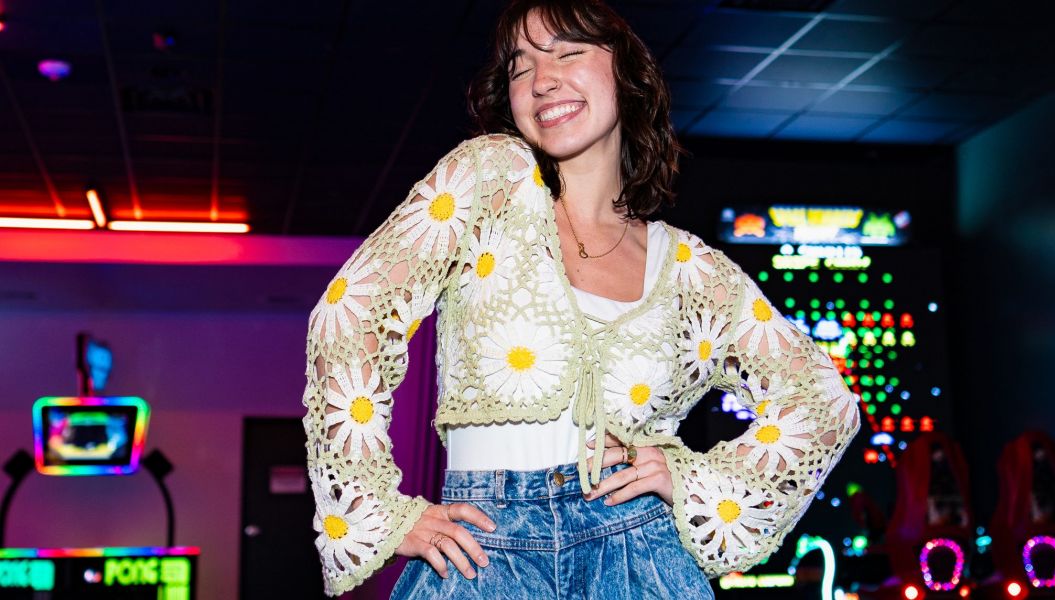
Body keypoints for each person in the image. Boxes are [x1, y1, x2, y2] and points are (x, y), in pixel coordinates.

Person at [301, 0, 861, 598]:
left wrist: (691, 478)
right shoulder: (490, 181)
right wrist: (377, 510)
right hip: (481, 549)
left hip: (638, 554)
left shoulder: (690, 269)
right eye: (520, 66)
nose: (542, 79)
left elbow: (824, 402)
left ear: (626, 74)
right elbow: (350, 312)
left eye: (569, 52)